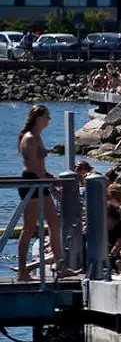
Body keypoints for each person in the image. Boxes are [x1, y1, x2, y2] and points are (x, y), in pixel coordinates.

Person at [16, 104, 63, 281]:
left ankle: (61, 266)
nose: (49, 119)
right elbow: (34, 167)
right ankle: (22, 271)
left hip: (41, 181)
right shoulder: (29, 138)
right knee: (29, 228)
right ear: (38, 118)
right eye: (47, 116)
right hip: (32, 183)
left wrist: (50, 177)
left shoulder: (37, 137)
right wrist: (52, 186)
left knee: (54, 223)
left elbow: (40, 166)